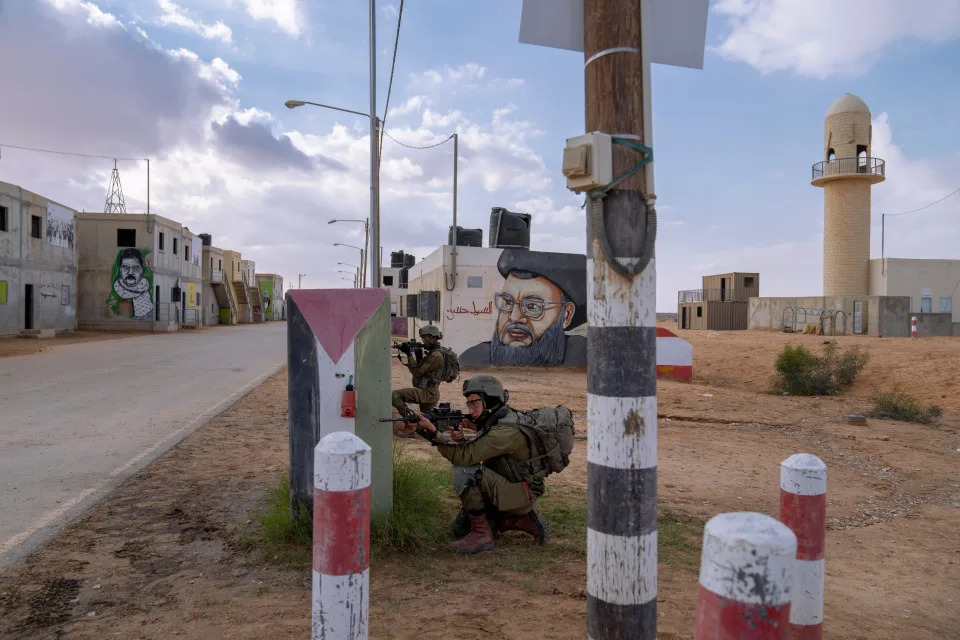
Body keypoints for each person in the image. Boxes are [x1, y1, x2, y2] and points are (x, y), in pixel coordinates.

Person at [415, 374, 548, 554]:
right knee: (460, 528)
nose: (471, 411)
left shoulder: (503, 431)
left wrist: (435, 434)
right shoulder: (502, 419)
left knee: (464, 471)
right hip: (516, 485)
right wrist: (461, 437)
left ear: (490, 400)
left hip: (522, 494)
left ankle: (482, 534)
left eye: (475, 403)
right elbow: (476, 451)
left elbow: (464, 459)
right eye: (469, 405)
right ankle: (518, 519)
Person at [459, 250, 586, 367]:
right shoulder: (473, 359)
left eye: (532, 306)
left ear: (566, 315)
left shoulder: (587, 359)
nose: (514, 317)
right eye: (508, 302)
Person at [391, 325, 445, 426]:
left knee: (394, 395)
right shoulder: (432, 353)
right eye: (422, 338)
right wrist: (418, 354)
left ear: (432, 338)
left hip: (428, 393)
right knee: (427, 423)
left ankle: (410, 424)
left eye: (425, 338)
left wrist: (409, 354)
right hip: (428, 392)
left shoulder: (436, 356)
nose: (423, 341)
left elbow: (417, 372)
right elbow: (422, 371)